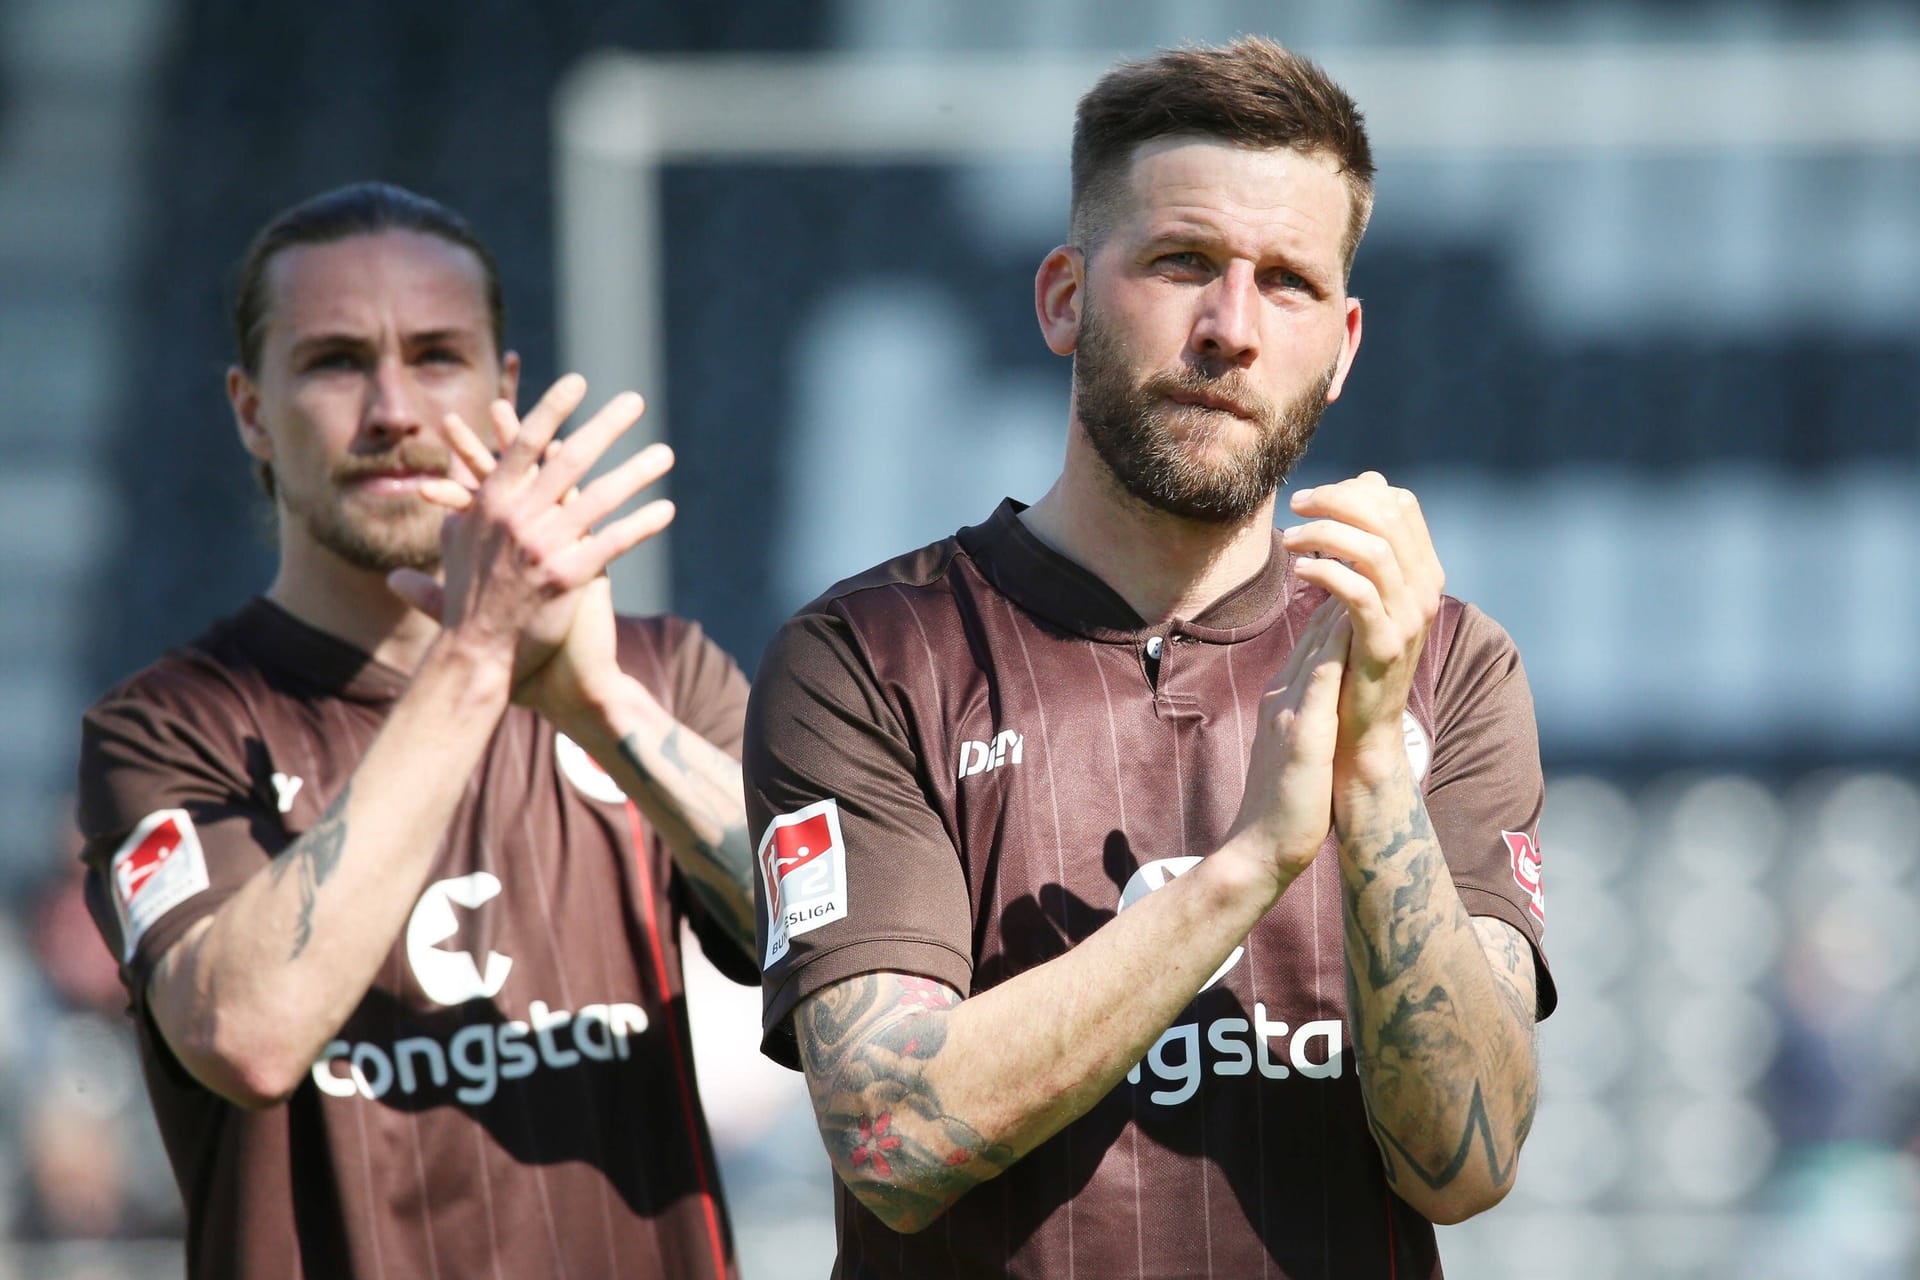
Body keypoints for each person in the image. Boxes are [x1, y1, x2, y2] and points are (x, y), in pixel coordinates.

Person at [744, 37, 1556, 1278]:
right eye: (1183, 262)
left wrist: (1376, 775)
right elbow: (893, 1139)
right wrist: (1248, 868)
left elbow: (1468, 1159)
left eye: (1285, 281)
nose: (1231, 327)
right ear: (1064, 295)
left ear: (1340, 346)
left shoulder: (1452, 666)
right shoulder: (867, 656)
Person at [75, 182, 757, 1279]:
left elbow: (842, 945)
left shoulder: (656, 673)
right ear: (252, 408)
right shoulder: (168, 726)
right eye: (337, 360)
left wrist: (607, 715)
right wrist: (478, 655)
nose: (391, 407)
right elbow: (247, 1034)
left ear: (505, 388)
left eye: (437, 355)